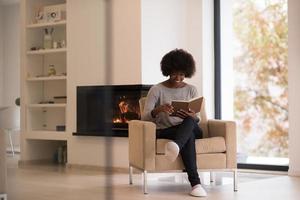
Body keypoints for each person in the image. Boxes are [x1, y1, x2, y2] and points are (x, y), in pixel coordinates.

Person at [141, 49, 207, 197]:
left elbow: (198, 119)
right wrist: (158, 110)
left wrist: (192, 116)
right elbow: (144, 117)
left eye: (182, 74)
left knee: (190, 121)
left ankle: (176, 145)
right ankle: (196, 184)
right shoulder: (156, 90)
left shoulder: (191, 89)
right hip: (167, 130)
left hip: (190, 128)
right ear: (168, 70)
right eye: (175, 73)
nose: (179, 77)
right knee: (188, 136)